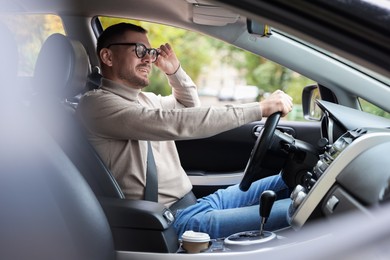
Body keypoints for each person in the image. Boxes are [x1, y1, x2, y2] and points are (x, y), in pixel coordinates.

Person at [77, 22, 294, 239]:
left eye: (150, 52)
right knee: (297, 212)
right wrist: (259, 108)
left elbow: (189, 107)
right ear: (107, 57)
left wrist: (174, 72)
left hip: (195, 204)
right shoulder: (97, 105)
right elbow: (177, 122)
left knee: (292, 177)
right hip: (171, 222)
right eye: (139, 50)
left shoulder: (144, 99)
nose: (148, 59)